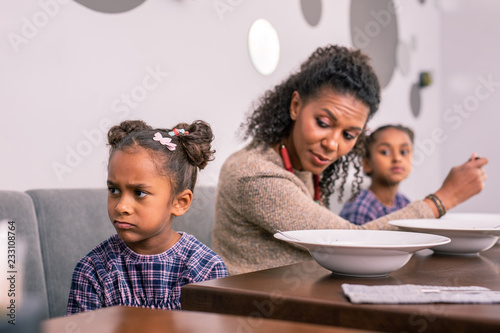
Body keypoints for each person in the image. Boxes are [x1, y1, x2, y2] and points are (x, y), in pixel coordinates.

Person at [212, 45, 488, 275]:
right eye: (323, 122)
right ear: (296, 106)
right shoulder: (255, 173)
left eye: (348, 134)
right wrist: (443, 199)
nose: (332, 144)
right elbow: (351, 241)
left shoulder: (299, 165)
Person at [67, 119, 228, 313]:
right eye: (114, 190)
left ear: (180, 203)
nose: (121, 206)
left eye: (139, 193)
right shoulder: (93, 271)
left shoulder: (206, 269)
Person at [340, 124, 414, 225]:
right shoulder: (361, 207)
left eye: (404, 151)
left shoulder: (403, 203)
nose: (397, 158)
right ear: (367, 164)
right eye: (385, 152)